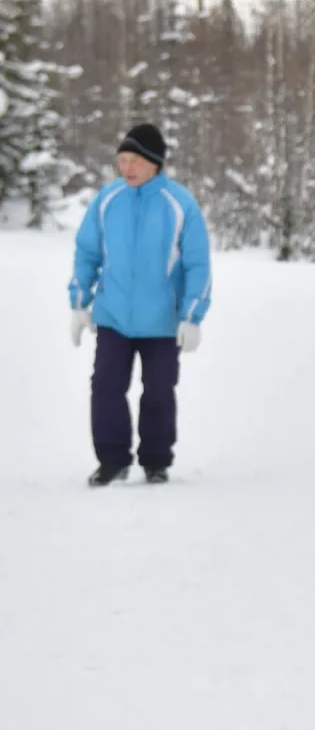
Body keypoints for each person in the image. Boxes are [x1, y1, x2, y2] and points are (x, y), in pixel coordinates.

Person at [67, 123, 212, 486]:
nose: (127, 168)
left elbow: (198, 263)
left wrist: (192, 316)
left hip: (163, 321)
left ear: (154, 163)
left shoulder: (179, 204)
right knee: (105, 387)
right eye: (122, 160)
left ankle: (156, 460)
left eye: (134, 161)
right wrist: (79, 303)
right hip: (113, 315)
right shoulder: (108, 200)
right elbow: (86, 253)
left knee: (159, 391)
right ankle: (112, 460)